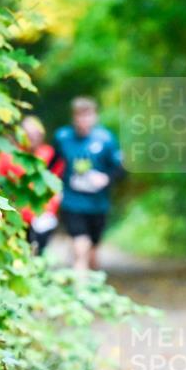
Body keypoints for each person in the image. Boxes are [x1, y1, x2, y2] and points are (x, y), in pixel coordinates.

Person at [52, 97, 125, 270]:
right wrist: (54, 188)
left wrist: (106, 178)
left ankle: (92, 280)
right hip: (72, 201)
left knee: (92, 252)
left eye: (87, 115)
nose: (83, 120)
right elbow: (53, 164)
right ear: (74, 117)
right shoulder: (63, 137)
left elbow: (120, 169)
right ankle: (79, 280)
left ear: (95, 117)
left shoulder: (106, 139)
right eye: (80, 116)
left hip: (98, 204)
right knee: (80, 246)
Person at [0, 115, 61, 255]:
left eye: (36, 134)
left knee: (38, 252)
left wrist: (51, 208)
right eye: (28, 134)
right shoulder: (9, 156)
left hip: (42, 216)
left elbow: (57, 183)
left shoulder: (49, 154)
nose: (32, 138)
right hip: (15, 215)